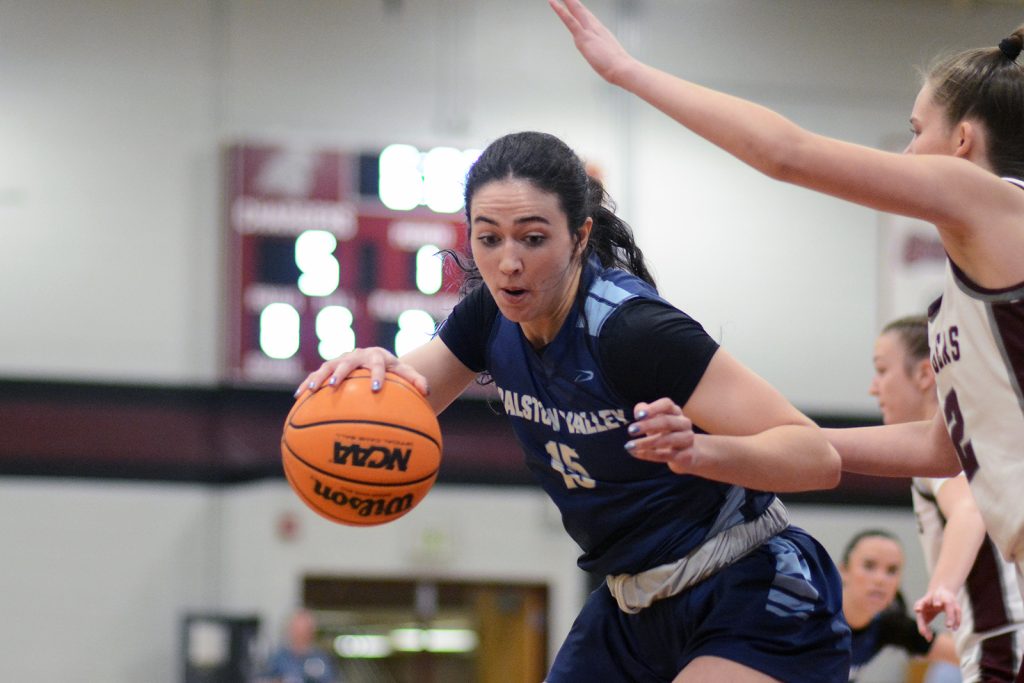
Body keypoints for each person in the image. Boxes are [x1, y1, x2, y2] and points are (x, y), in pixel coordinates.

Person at [299, 130, 851, 681]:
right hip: (632, 605)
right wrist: (372, 374)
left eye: (532, 239)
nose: (508, 263)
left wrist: (701, 452)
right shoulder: (489, 317)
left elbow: (816, 457)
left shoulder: (633, 331)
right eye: (488, 239)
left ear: (580, 236)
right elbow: (403, 402)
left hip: (747, 581)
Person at [549, 0, 1024, 602]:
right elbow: (940, 449)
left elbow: (785, 153)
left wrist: (627, 71)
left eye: (914, 131)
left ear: (962, 140)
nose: (906, 154)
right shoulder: (969, 289)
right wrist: (767, 445)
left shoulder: (987, 198)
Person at [871, 316, 1024, 681]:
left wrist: (942, 587)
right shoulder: (979, 436)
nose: (873, 388)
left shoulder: (944, 452)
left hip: (1002, 645)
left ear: (926, 374)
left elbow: (969, 511)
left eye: (882, 370)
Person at [840, 529, 959, 682]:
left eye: (892, 570)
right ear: (843, 571)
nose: (880, 579)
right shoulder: (814, 616)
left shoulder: (889, 624)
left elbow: (971, 655)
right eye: (869, 566)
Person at [258, 608, 340, 683]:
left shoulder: (322, 658)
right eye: (297, 629)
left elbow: (331, 678)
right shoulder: (278, 658)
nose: (301, 634)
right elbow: (263, 678)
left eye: (305, 629)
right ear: (290, 630)